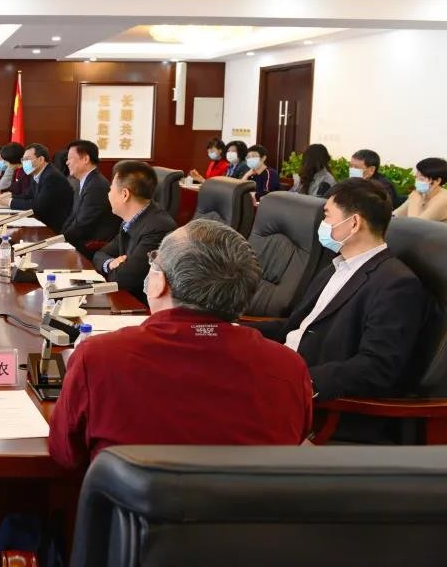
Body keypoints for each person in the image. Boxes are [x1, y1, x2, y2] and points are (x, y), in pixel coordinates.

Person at [49, 219, 312, 467]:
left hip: (134, 502)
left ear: (159, 282)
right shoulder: (289, 368)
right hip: (245, 502)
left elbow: (66, 454)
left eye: (154, 261)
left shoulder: (98, 357)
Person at [250, 179, 426, 442]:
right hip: (280, 374)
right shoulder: (337, 266)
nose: (322, 224)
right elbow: (296, 327)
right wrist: (235, 329)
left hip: (319, 405)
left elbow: (376, 367)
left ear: (353, 223)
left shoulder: (396, 284)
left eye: (327, 216)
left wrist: (299, 382)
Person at [92, 160, 177, 305]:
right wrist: (111, 263)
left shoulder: (158, 228)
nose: (108, 194)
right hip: (125, 299)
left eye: (111, 190)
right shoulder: (130, 220)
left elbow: (123, 280)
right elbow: (99, 254)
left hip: (144, 307)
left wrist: (116, 270)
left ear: (125, 194)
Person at [61, 140, 120, 255]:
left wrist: (59, 240)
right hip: (81, 241)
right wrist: (58, 238)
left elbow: (82, 225)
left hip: (93, 247)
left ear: (85, 159)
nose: (67, 163)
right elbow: (73, 217)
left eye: (70, 158)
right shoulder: (84, 182)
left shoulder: (96, 186)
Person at [8, 143, 73, 232]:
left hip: (54, 228)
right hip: (43, 222)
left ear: (41, 159)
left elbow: (38, 206)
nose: (24, 163)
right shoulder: (37, 173)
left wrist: (10, 202)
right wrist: (10, 196)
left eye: (27, 159)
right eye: (23, 159)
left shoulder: (51, 176)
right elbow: (28, 195)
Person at [395, 157, 447, 222]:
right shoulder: (421, 194)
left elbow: (415, 225)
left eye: (421, 179)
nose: (417, 181)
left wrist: (415, 201)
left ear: (437, 181)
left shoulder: (443, 199)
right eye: (416, 177)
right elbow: (394, 216)